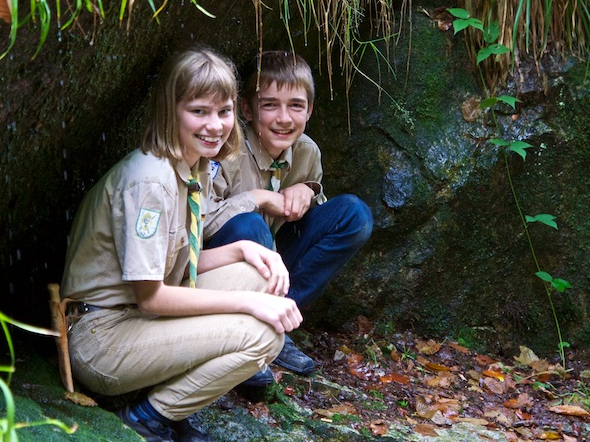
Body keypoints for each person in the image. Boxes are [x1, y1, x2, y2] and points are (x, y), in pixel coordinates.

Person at [60, 48, 303, 442]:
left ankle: (169, 400)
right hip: (102, 338)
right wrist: (248, 304)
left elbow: (175, 263)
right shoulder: (150, 182)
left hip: (137, 320)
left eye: (224, 111)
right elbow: (152, 297)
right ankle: (149, 415)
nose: (215, 125)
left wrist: (244, 250)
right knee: (263, 335)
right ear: (170, 110)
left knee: (255, 275)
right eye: (199, 111)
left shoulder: (194, 167)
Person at [204, 50, 373, 385]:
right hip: (223, 268)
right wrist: (256, 199)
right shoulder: (225, 148)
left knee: (354, 215)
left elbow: (316, 217)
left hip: (276, 259)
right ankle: (244, 333)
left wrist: (310, 191)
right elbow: (201, 223)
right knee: (251, 225)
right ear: (247, 110)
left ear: (309, 110)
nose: (284, 118)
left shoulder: (307, 151)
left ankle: (277, 318)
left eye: (296, 105)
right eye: (270, 105)